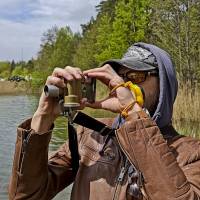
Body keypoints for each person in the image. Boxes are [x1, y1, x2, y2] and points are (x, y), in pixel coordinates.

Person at [9, 43, 200, 200]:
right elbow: (26, 196)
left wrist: (133, 113)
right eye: (120, 77)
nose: (122, 85)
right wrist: (42, 118)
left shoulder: (192, 153)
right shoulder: (89, 135)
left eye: (135, 77)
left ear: (165, 84)